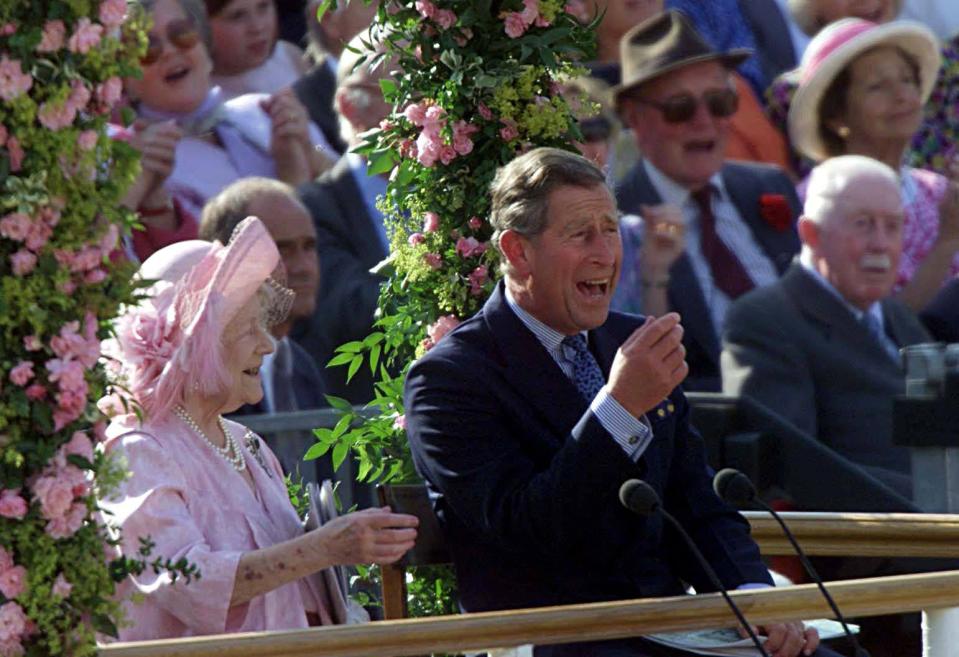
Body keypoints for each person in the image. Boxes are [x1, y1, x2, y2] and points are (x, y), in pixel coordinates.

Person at [404, 147, 833, 657]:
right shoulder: (450, 378)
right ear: (518, 251)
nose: (605, 253)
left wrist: (756, 601)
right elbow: (528, 529)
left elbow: (697, 503)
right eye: (580, 233)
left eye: (610, 229)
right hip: (562, 640)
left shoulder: (633, 343)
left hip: (677, 632)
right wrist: (618, 409)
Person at [98, 217, 417, 640]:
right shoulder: (138, 451)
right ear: (196, 344)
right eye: (248, 328)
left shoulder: (245, 442)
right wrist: (323, 546)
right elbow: (187, 582)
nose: (267, 344)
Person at [613, 10, 801, 391]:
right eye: (680, 108)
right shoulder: (617, 219)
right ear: (634, 117)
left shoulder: (769, 185)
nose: (704, 121)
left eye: (719, 102)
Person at [722, 155, 930, 499]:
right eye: (863, 224)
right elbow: (795, 471)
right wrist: (938, 500)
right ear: (810, 233)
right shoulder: (766, 321)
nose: (881, 243)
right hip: (879, 540)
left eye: (892, 226)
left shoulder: (898, 317)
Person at [120, 0, 336, 260]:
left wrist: (311, 150)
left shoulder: (259, 107)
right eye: (147, 48)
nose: (168, 51)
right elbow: (223, 266)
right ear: (124, 78)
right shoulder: (148, 164)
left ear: (205, 44)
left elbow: (349, 187)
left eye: (182, 34)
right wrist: (293, 174)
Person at [787, 18, 959, 311]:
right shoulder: (820, 204)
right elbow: (873, 336)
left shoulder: (937, 190)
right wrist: (947, 240)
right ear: (837, 116)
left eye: (907, 80)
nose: (903, 96)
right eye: (878, 87)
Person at [198, 178, 339, 481]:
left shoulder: (302, 365)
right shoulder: (205, 372)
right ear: (228, 259)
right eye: (282, 250)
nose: (303, 267)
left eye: (309, 247)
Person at [294, 33, 393, 404]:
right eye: (408, 98)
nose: (432, 113)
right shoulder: (315, 208)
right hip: (365, 430)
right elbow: (351, 309)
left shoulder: (454, 198)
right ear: (351, 106)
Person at [205, 0, 309, 99]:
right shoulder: (201, 94)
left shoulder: (289, 56)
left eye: (263, 7)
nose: (257, 27)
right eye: (237, 16)